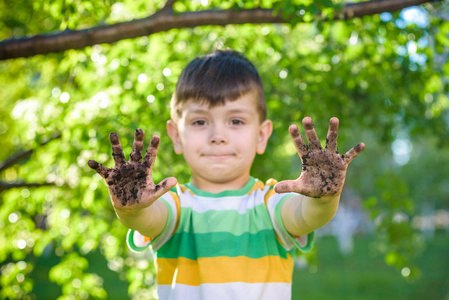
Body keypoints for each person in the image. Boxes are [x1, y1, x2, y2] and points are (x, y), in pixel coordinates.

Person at [88, 49, 365, 300]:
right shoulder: (175, 203)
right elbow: (147, 218)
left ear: (261, 135)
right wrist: (131, 207)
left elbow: (307, 215)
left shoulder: (270, 203)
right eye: (199, 121)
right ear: (176, 136)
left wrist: (325, 196)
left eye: (235, 121)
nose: (218, 136)